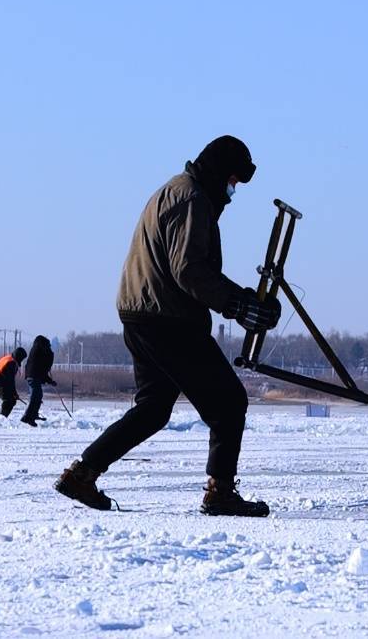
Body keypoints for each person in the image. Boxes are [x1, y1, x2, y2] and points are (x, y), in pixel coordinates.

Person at [55, 135, 281, 516]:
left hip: (142, 314)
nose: (231, 193)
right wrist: (237, 304)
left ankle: (82, 473)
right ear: (219, 172)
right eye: (232, 183)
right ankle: (220, 492)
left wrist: (236, 299)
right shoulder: (191, 198)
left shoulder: (174, 191)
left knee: (153, 408)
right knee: (229, 402)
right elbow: (189, 269)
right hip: (168, 319)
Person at [22, 335, 57, 426]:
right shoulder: (43, 351)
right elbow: (43, 369)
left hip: (31, 376)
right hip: (34, 376)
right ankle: (28, 417)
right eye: (49, 346)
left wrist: (49, 380)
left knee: (37, 396)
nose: (50, 347)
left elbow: (42, 369)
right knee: (35, 397)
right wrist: (49, 381)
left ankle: (33, 415)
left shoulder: (37, 349)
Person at [0, 346, 27, 418]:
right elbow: (10, 381)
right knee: (9, 400)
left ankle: (2, 416)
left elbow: (8, 381)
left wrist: (14, 394)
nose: (22, 360)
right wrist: (14, 393)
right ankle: (1, 417)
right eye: (22, 358)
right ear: (19, 357)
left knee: (11, 399)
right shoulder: (11, 363)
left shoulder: (9, 358)